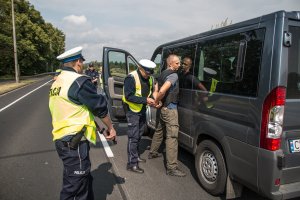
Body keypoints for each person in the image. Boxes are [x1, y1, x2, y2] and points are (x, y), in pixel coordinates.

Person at [49, 46, 117, 200]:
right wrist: (110, 127)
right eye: (82, 63)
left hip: (62, 139)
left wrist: (99, 128)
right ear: (78, 62)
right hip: (74, 142)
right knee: (75, 189)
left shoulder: (57, 83)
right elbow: (99, 108)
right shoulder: (78, 81)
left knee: (83, 181)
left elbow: (78, 110)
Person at [148, 54, 186, 177]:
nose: (179, 65)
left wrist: (157, 100)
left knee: (159, 130)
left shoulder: (163, 73)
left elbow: (156, 87)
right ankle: (171, 168)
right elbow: (163, 90)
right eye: (177, 63)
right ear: (170, 64)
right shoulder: (173, 75)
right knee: (172, 137)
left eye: (180, 63)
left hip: (162, 109)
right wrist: (157, 100)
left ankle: (152, 152)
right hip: (170, 109)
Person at [122, 59, 158, 174]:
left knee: (139, 133)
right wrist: (145, 100)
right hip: (132, 110)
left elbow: (152, 92)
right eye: (146, 72)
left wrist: (155, 100)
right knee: (133, 136)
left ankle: (136, 156)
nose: (148, 75)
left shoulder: (150, 78)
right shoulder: (131, 78)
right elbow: (128, 96)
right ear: (140, 68)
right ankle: (131, 164)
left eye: (150, 73)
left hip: (142, 109)